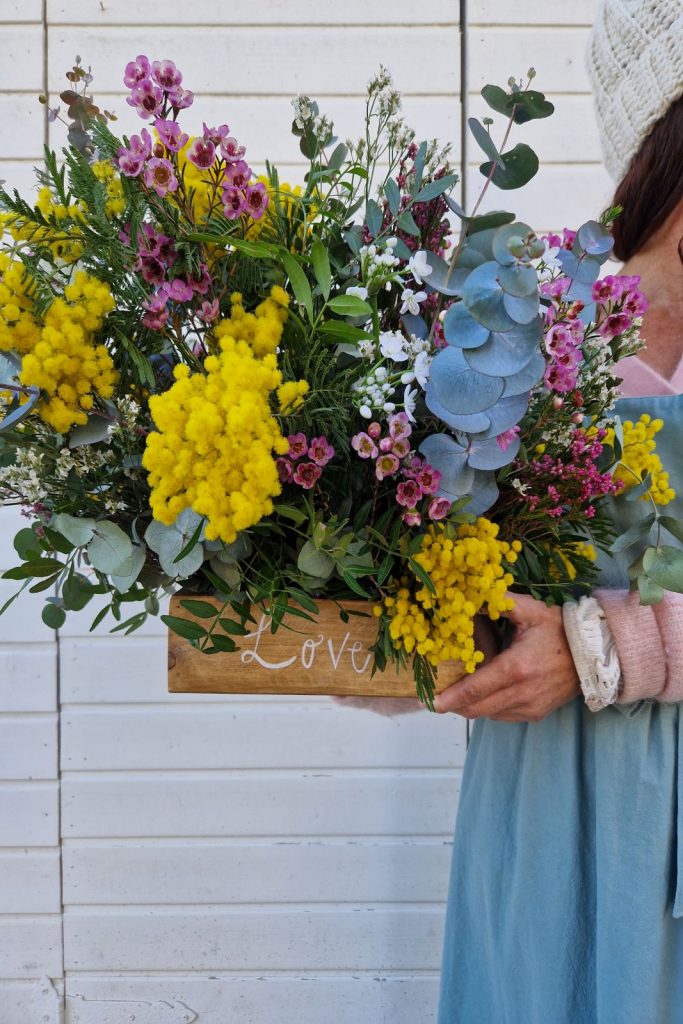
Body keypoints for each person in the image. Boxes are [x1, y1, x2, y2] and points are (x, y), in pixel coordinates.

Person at [436, 2, 683, 1021]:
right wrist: (412, 631)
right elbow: (412, 586)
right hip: (536, 823)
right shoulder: (528, 331)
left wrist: (604, 648)